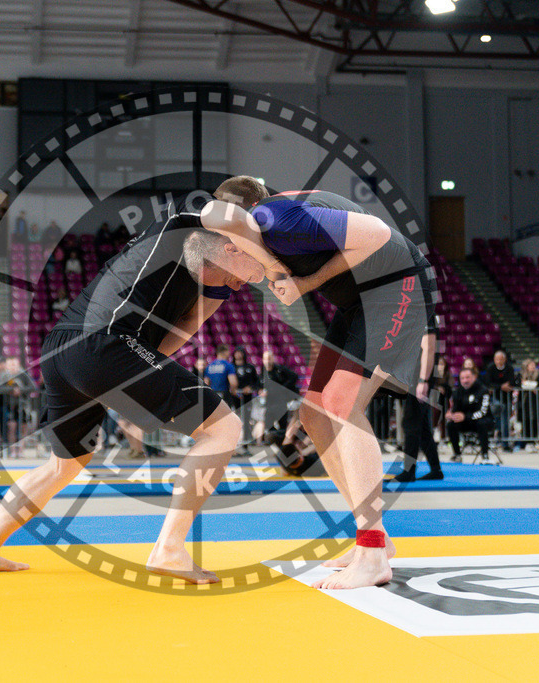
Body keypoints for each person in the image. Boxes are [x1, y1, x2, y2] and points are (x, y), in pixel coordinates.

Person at [0, 209, 265, 585]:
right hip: (102, 343)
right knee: (223, 429)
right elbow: (221, 207)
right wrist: (265, 217)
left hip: (65, 348)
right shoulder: (181, 229)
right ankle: (169, 549)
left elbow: (187, 327)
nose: (241, 285)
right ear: (231, 244)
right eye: (245, 272)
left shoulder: (210, 284)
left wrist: (141, 374)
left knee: (65, 465)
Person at [202, 176, 435, 589]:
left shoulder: (277, 218)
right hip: (359, 302)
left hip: (396, 286)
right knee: (313, 414)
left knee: (344, 405)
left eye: (233, 238)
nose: (232, 248)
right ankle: (375, 536)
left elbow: (379, 234)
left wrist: (304, 283)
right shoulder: (268, 228)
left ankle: (372, 550)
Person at [395, 330, 443, 482]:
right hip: (416, 379)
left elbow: (429, 350)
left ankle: (409, 471)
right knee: (422, 428)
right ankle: (436, 469)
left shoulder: (425, 316)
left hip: (420, 381)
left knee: (411, 423)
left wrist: (423, 381)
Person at [445, 366, 493, 462]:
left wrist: (466, 417)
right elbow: (455, 409)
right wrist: (452, 415)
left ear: (474, 377)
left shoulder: (483, 390)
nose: (465, 380)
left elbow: (483, 412)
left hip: (482, 420)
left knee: (482, 423)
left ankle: (485, 455)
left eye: (467, 377)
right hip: (465, 422)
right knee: (450, 425)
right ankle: (457, 454)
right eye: (462, 378)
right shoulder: (457, 392)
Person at [257, 349, 299, 437]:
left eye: (269, 358)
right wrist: (259, 390)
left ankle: (282, 440)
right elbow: (258, 385)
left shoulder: (280, 369)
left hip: (281, 401)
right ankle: (275, 438)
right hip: (269, 402)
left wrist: (283, 388)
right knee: (269, 423)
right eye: (266, 359)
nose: (267, 361)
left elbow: (294, 377)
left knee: (282, 423)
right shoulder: (262, 372)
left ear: (273, 359)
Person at [483, 350, 516, 451]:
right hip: (495, 398)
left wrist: (505, 386)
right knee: (496, 419)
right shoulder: (490, 368)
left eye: (501, 359)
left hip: (507, 398)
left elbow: (511, 381)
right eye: (497, 359)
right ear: (494, 360)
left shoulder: (509, 368)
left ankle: (505, 443)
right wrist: (501, 387)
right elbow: (488, 383)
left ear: (505, 360)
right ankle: (497, 438)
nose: (499, 361)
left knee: (505, 420)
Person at [233, 347, 260, 448]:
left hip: (247, 396)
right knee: (236, 418)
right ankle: (236, 440)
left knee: (246, 417)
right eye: (237, 353)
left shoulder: (250, 367)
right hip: (234, 396)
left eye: (240, 353)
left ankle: (247, 439)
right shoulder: (231, 367)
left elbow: (256, 381)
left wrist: (251, 388)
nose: (238, 355)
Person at [518, 358, 539, 451]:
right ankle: (526, 442)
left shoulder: (538, 374)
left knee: (534, 420)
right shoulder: (521, 375)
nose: (533, 367)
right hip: (525, 401)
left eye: (534, 365)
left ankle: (533, 440)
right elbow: (519, 385)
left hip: (535, 400)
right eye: (531, 365)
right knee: (525, 420)